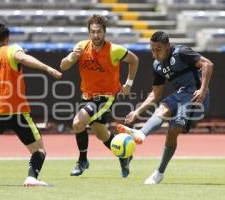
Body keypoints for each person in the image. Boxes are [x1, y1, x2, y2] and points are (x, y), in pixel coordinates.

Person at [0, 22, 62, 187]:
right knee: (40, 151)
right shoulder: (11, 50)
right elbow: (23, 58)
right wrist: (47, 68)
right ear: (7, 38)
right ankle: (31, 177)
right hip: (17, 111)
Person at [117, 31, 213, 184]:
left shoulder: (181, 52)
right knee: (162, 109)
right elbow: (155, 94)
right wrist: (137, 111)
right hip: (181, 95)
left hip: (197, 97)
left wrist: (202, 89)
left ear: (167, 46)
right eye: (152, 49)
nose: (155, 53)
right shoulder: (157, 65)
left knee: (173, 130)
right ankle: (141, 134)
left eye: (158, 49)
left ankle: (159, 172)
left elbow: (207, 64)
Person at [60, 15, 139, 177]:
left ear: (105, 32)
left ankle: (82, 161)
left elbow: (134, 60)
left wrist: (128, 84)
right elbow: (63, 66)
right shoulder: (82, 46)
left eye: (99, 32)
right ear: (89, 32)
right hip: (87, 95)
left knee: (77, 123)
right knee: (100, 132)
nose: (96, 36)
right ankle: (125, 156)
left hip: (105, 96)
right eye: (93, 32)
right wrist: (72, 57)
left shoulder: (114, 49)